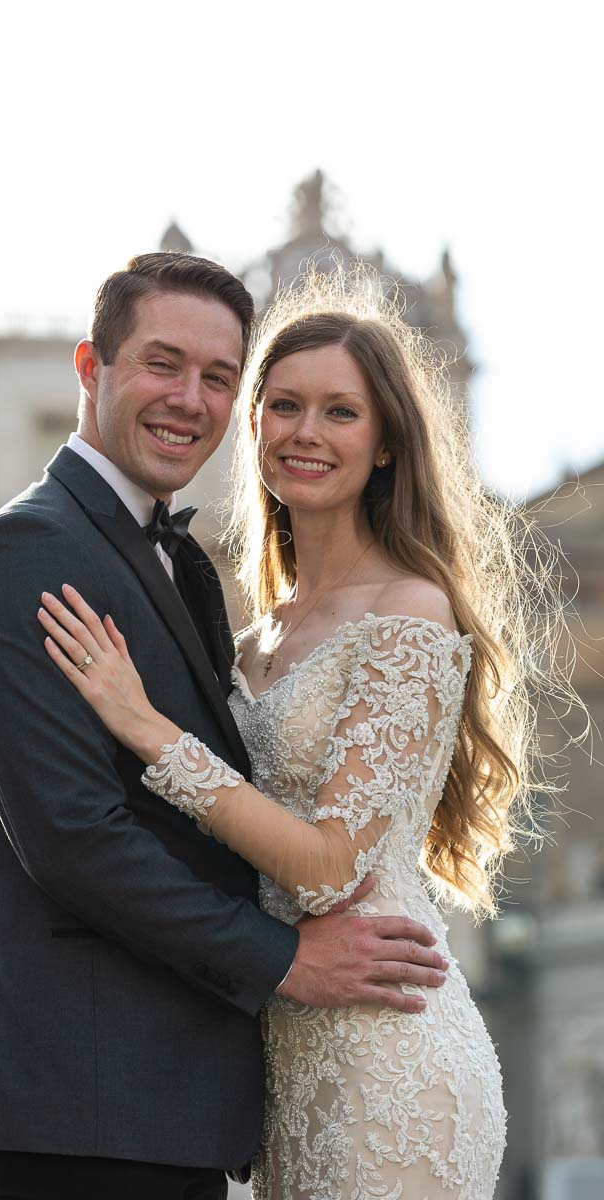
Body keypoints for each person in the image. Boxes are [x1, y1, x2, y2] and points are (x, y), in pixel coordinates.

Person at [35, 268, 571, 1198]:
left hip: (391, 1052)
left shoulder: (412, 612)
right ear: (254, 424)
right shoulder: (250, 636)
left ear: (388, 444)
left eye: (340, 413)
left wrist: (150, 733)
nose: (307, 433)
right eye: (284, 405)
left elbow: (329, 868)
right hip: (284, 1058)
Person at [0, 253, 449, 1200]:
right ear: (92, 367)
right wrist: (285, 960)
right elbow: (76, 839)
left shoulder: (177, 563)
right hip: (98, 1097)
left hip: (205, 1083)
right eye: (164, 364)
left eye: (218, 377)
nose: (190, 399)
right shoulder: (35, 548)